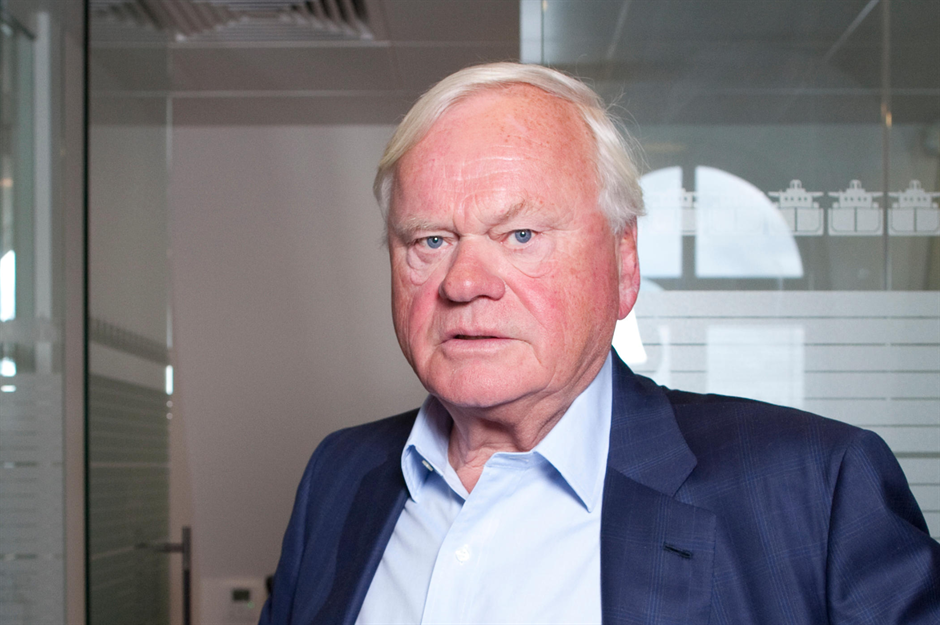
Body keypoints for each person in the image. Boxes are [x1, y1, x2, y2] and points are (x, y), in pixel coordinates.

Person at [259, 63, 939, 624]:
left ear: (623, 263)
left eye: (520, 235)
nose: (464, 282)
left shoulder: (815, 492)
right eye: (430, 240)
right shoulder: (338, 477)